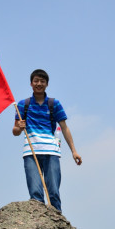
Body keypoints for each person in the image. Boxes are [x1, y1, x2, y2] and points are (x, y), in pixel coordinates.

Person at [13, 69, 82, 212]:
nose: (39, 84)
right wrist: (19, 127)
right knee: (35, 195)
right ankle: (38, 227)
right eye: (36, 81)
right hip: (30, 153)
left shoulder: (54, 104)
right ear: (31, 83)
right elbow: (15, 131)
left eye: (42, 81)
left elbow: (64, 127)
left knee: (54, 192)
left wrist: (74, 151)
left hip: (51, 151)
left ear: (47, 84)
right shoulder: (22, 105)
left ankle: (57, 226)